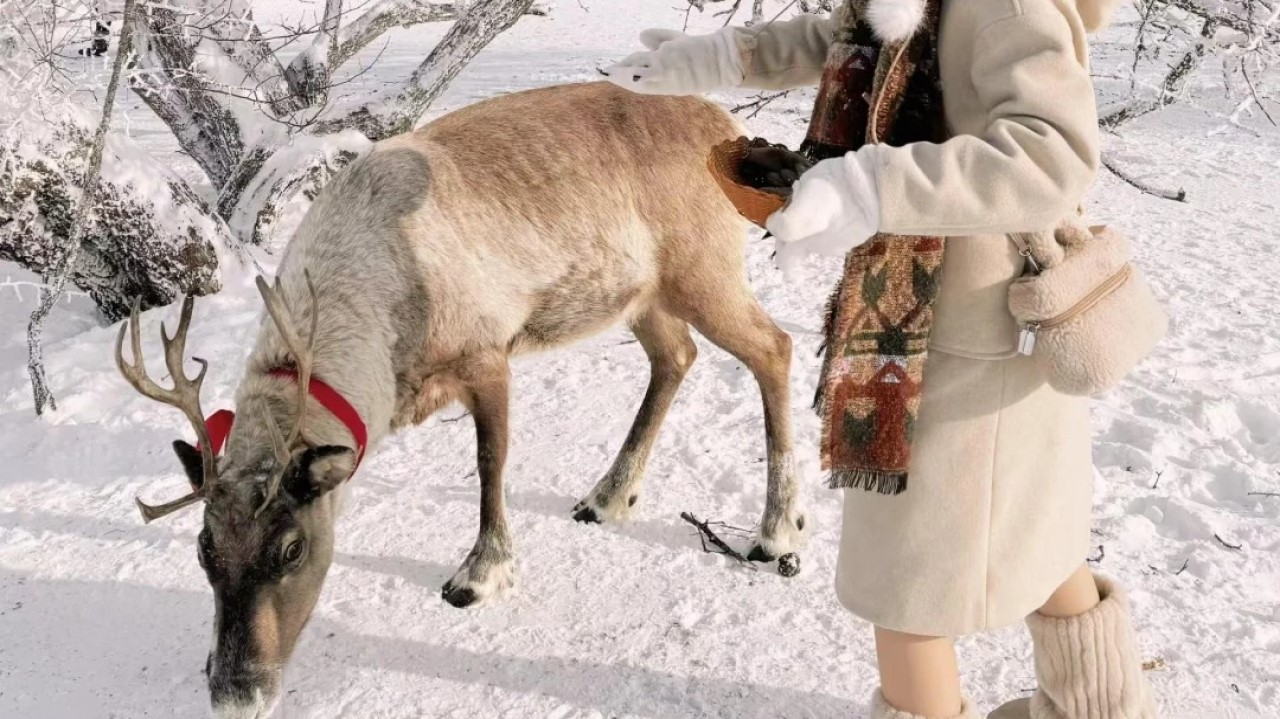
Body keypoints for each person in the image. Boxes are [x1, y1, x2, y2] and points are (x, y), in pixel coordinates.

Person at [603, 1, 1159, 718]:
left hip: (966, 341)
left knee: (905, 583)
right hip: (943, 319)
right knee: (1036, 532)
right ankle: (1103, 707)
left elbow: (1054, 157)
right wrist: (718, 58)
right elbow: (842, 36)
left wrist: (873, 186)